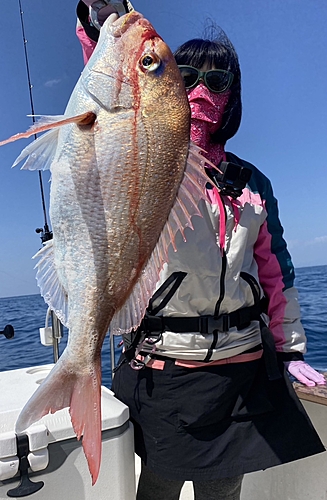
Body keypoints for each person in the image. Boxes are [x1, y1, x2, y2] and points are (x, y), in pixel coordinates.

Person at [76, 2, 326, 499]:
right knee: (160, 489)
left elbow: (278, 274)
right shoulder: (146, 166)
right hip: (168, 366)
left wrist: (292, 349)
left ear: (232, 98)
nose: (201, 90)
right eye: (186, 75)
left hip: (241, 369)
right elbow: (113, 79)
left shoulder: (252, 183)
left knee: (223, 493)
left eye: (218, 81)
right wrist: (99, 21)